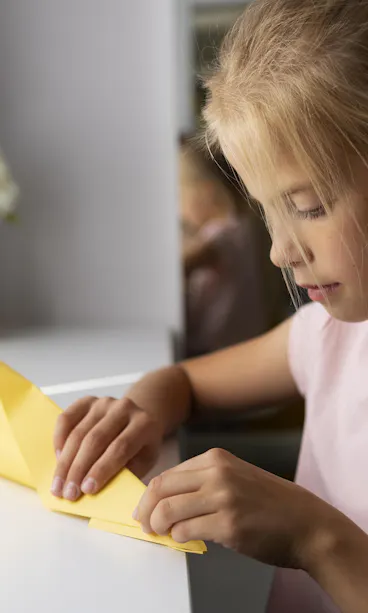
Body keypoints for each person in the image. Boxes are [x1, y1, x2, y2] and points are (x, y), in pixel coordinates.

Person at [50, 1, 368, 611]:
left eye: (308, 207)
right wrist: (140, 411)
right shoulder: (326, 335)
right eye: (266, 210)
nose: (279, 251)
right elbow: (185, 384)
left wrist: (315, 537)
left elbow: (319, 540)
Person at [179, 136, 268, 356]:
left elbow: (183, 265)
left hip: (216, 348)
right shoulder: (246, 225)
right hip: (241, 341)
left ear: (205, 194)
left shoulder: (221, 237)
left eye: (179, 196)